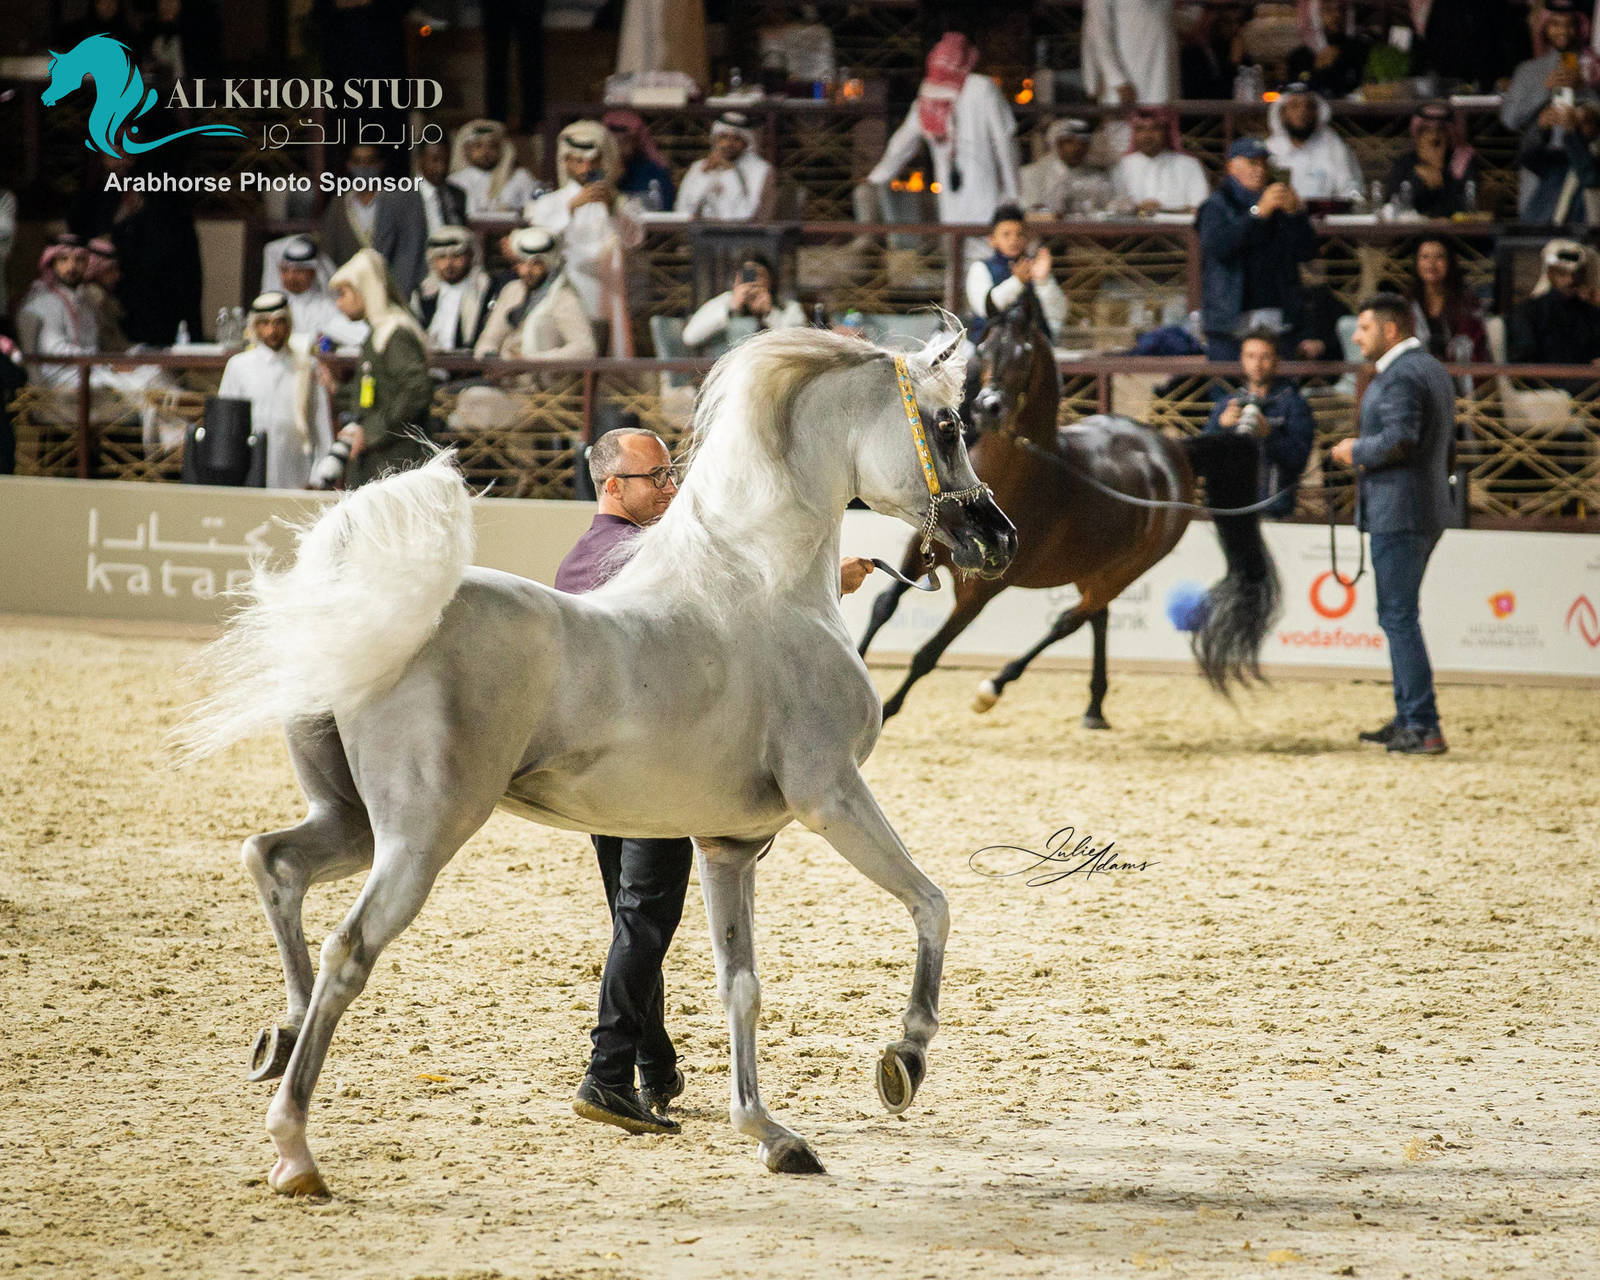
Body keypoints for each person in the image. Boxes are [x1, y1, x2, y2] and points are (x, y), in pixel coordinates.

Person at [556, 426, 874, 1134]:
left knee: (631, 921)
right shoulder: (650, 558)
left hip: (594, 772)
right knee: (645, 919)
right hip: (657, 767)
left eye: (674, 474)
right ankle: (606, 1072)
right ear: (613, 486)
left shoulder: (579, 560)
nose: (673, 489)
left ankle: (655, 1065)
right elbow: (734, 631)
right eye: (658, 478)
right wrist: (828, 585)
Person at [1328, 293, 1455, 756]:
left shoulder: (1402, 375)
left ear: (1391, 330)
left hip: (1401, 511)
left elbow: (1401, 439)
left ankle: (1423, 724)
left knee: (1399, 617)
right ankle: (1409, 716)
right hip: (1422, 507)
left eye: (1363, 328)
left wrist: (1353, 451)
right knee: (1397, 615)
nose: (1357, 337)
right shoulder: (1430, 369)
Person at [866, 33, 1020, 230]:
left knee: (956, 254)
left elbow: (901, 144)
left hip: (951, 202)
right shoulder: (982, 87)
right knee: (988, 253)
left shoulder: (928, 94)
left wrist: (876, 178)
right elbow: (1004, 140)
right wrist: (1014, 193)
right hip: (989, 198)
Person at [524, 119, 644, 355]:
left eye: (593, 161)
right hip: (566, 287)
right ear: (566, 162)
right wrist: (571, 207)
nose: (586, 168)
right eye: (579, 161)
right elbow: (538, 242)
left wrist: (612, 208)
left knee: (611, 352)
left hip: (608, 289)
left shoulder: (621, 203)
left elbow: (635, 239)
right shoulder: (550, 203)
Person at [1195, 137, 1317, 361]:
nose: (1259, 170)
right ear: (1232, 166)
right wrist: (1257, 214)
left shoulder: (1280, 202)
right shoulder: (1217, 205)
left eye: (1263, 163)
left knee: (1278, 388)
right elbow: (1218, 247)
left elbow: (1307, 252)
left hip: (1276, 313)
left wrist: (1294, 214)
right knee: (1228, 387)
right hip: (1230, 318)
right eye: (1252, 163)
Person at [320, 249, 433, 489]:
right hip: (378, 459)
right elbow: (377, 390)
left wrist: (371, 432)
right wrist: (337, 389)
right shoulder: (379, 333)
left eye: (343, 293)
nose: (339, 303)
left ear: (365, 289)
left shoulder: (396, 333)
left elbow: (415, 390)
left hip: (394, 461)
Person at [217, 291, 333, 490]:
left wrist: (318, 476)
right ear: (255, 326)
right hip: (249, 471)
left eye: (279, 322)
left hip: (296, 473)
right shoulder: (238, 366)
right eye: (265, 323)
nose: (272, 330)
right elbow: (225, 427)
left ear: (289, 323)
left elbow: (321, 425)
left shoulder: (307, 366)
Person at [1203, 328, 1315, 518]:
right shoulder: (1227, 405)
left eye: (1265, 356)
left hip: (1273, 509)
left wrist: (1269, 434)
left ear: (1277, 360)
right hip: (1229, 508)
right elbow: (1202, 457)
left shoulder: (1294, 405)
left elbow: (1299, 461)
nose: (1257, 364)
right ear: (1242, 359)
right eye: (1251, 356)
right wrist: (1220, 426)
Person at [472, 227, 597, 362]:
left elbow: (585, 349)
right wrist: (491, 359)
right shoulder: (512, 291)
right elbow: (489, 339)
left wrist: (530, 361)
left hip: (541, 379)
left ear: (549, 264)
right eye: (522, 263)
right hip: (503, 376)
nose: (527, 271)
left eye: (536, 264)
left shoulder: (564, 298)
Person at [964, 203, 1067, 339]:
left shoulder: (1034, 266)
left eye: (1019, 234)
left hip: (1032, 345)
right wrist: (1017, 282)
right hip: (990, 347)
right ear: (992, 239)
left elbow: (1058, 313)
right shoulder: (980, 268)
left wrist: (1043, 281)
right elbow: (986, 309)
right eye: (1006, 235)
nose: (1013, 240)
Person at [1500, 0, 1597, 135]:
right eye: (1555, 24)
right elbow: (1509, 120)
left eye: (1569, 25)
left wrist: (1585, 109)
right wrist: (1544, 88)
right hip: (1539, 152)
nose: (1563, 31)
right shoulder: (1527, 70)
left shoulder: (1592, 67)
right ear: (1545, 27)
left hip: (1579, 152)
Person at [1506, 238, 1600, 373]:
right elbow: (1524, 361)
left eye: (1575, 274)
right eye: (1562, 273)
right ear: (1550, 274)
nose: (1570, 280)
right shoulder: (1527, 312)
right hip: (1548, 383)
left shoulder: (1590, 311)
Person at [681, 254, 806, 350]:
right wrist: (730, 310)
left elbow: (798, 344)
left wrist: (770, 314)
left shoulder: (788, 307)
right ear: (736, 280)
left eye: (759, 276)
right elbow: (690, 337)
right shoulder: (724, 301)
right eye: (746, 275)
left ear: (770, 280)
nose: (752, 282)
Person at [1266, 82, 1363, 203]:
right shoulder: (1270, 149)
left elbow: (1350, 190)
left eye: (1309, 106)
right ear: (1281, 113)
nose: (1303, 112)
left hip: (1325, 218)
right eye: (1294, 106)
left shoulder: (1333, 146)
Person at [411, 226, 501, 353]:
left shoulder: (488, 290)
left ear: (471, 256)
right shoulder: (424, 294)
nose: (449, 263)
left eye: (456, 256)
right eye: (441, 257)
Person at [1515, 92, 1600, 225]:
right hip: (1539, 229)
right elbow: (1528, 156)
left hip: (1581, 235)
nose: (1578, 126)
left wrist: (1573, 133)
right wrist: (1540, 128)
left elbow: (1589, 175)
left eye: (1586, 122)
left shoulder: (1590, 159)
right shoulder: (1562, 160)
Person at [1385, 104, 1481, 218]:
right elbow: (1392, 207)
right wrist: (1418, 179)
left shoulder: (1463, 161)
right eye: (1427, 130)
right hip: (1412, 233)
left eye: (1440, 130)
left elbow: (1466, 208)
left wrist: (1441, 174)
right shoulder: (1404, 163)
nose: (1435, 136)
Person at [676, 112, 776, 221]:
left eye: (736, 139)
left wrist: (730, 171)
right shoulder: (700, 166)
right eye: (723, 137)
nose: (728, 144)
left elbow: (746, 215)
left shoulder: (760, 170)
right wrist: (703, 176)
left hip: (744, 236)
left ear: (746, 143)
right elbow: (682, 209)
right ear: (716, 140)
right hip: (701, 234)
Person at [274, 235, 369, 350]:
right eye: (285, 271)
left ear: (313, 272)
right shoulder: (277, 306)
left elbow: (361, 335)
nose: (290, 277)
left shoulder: (329, 307)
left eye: (298, 271)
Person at [1112, 107, 1210, 214]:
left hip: (1176, 230)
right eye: (1140, 129)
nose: (1147, 135)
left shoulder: (1189, 165)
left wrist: (1162, 210)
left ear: (1166, 132)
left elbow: (1200, 209)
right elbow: (1109, 208)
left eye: (1154, 129)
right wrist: (1136, 209)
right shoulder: (1121, 166)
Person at [1081, 0, 1177, 109]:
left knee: (1163, 119)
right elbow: (1098, 36)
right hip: (1126, 85)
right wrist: (1117, 81)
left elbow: (1168, 18)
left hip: (1163, 76)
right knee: (1124, 123)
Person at [1406, 238, 1489, 363]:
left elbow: (1474, 345)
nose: (1431, 263)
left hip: (1458, 373)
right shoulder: (1407, 304)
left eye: (1439, 257)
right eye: (1425, 257)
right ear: (1416, 263)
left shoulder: (1468, 303)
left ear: (1450, 262)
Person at [1018, 118, 1113, 217]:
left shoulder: (1097, 176)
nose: (1077, 148)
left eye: (1083, 143)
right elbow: (1031, 214)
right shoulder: (1032, 175)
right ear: (1056, 143)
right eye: (1069, 141)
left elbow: (1107, 210)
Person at [448, 119, 538, 218]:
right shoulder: (455, 181)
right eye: (478, 146)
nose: (485, 151)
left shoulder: (520, 177)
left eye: (492, 146)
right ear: (465, 150)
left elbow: (533, 211)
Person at [1287, 0, 1372, 99]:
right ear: (1313, 14)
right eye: (1328, 10)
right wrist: (1316, 70)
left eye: (1342, 10)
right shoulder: (1298, 57)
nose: (1337, 15)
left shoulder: (1360, 49)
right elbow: (1295, 93)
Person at [603, 110, 676, 211]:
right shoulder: (596, 170)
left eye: (624, 141)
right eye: (613, 142)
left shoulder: (654, 173)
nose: (618, 147)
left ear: (636, 141)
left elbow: (662, 208)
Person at [1181, 3, 1250, 101]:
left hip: (1225, 105)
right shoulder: (1187, 54)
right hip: (1201, 109)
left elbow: (1238, 73)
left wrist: (1236, 60)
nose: (1210, 19)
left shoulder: (1221, 45)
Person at [412, 140, 470, 236]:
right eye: (435, 160)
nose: (441, 168)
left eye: (446, 161)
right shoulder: (400, 198)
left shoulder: (457, 195)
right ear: (420, 161)